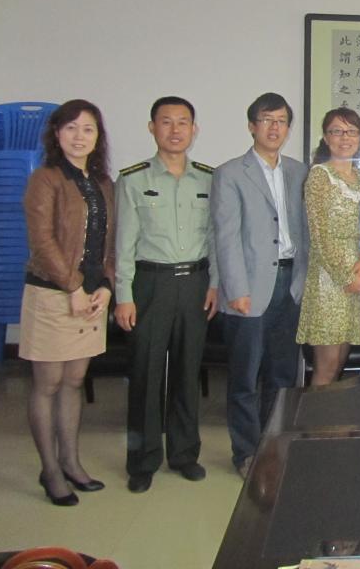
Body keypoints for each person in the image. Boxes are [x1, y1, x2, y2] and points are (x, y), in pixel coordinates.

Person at [113, 96, 219, 493]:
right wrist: (123, 294)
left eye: (183, 122)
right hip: (150, 284)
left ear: (195, 129)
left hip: (195, 283)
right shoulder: (133, 179)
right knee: (146, 373)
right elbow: (123, 244)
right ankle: (142, 460)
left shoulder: (209, 179)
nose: (175, 130)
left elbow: (215, 238)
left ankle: (184, 454)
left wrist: (215, 284)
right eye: (166, 122)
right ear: (152, 128)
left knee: (188, 372)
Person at [20, 99, 115, 506]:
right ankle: (50, 470)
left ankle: (71, 462)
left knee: (74, 381)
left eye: (88, 129)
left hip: (90, 297)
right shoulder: (45, 179)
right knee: (48, 384)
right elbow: (42, 241)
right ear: (57, 134)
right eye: (71, 128)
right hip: (52, 293)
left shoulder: (103, 183)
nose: (80, 136)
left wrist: (105, 286)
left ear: (98, 137)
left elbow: (109, 242)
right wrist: (73, 287)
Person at [212, 93, 308, 478]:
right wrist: (235, 288)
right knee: (245, 377)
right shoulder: (230, 173)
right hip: (248, 287)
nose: (274, 127)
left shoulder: (299, 172)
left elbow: (306, 232)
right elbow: (225, 237)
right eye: (267, 120)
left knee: (283, 376)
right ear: (252, 126)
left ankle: (274, 447)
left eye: (281, 121)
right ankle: (246, 452)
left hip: (290, 283)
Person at [296, 108, 360, 385]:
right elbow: (320, 236)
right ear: (326, 138)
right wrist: (347, 276)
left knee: (339, 364)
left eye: (351, 131)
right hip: (330, 279)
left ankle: (333, 414)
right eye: (337, 131)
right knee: (326, 368)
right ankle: (315, 415)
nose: (344, 137)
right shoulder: (319, 176)